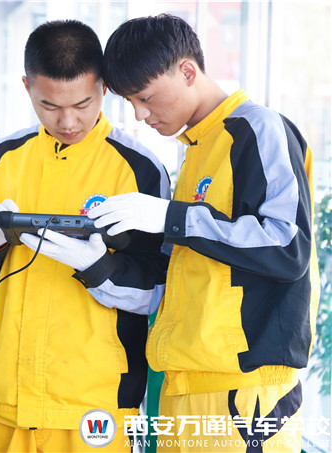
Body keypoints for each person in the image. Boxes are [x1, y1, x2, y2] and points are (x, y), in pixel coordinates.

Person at [95, 14, 320, 452]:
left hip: (244, 395)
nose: (140, 114)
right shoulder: (196, 149)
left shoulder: (258, 129)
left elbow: (287, 245)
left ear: (187, 71)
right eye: (130, 102)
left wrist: (173, 217)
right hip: (185, 383)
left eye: (145, 97)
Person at [0, 20, 171, 452]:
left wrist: (100, 269)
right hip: (2, 400)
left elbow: (161, 288)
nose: (67, 121)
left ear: (104, 87)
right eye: (48, 105)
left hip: (95, 406)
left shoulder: (139, 170)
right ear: (27, 87)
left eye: (83, 103)